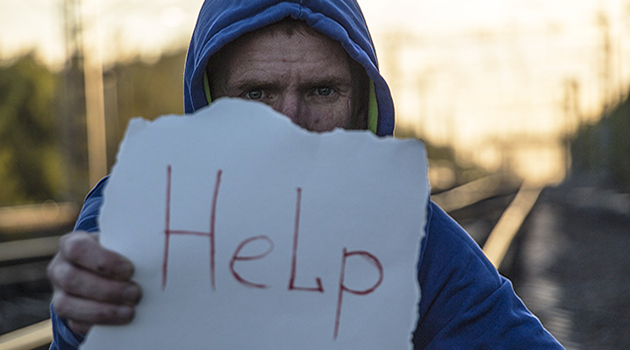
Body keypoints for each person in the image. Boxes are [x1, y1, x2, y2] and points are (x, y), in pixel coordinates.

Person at [47, 0, 565, 349]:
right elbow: (86, 316)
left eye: (322, 91)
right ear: (209, 105)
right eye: (257, 93)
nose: (289, 122)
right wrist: (78, 324)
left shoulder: (414, 237)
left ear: (361, 105)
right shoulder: (139, 209)